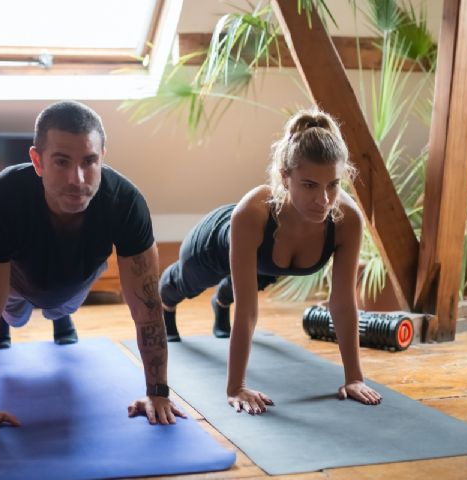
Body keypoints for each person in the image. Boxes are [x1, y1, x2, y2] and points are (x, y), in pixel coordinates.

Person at [0, 101, 185, 440]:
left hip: (75, 281)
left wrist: (158, 392)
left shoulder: (125, 203)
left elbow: (148, 309)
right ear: (37, 161)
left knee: (59, 306)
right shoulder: (1, 200)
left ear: (102, 156)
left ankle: (59, 314)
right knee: (10, 316)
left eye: (89, 161)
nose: (77, 179)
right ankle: (12, 323)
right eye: (61, 162)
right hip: (15, 285)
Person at [159, 109, 383, 414]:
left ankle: (220, 303)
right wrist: (235, 387)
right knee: (185, 285)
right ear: (284, 177)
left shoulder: (347, 219)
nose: (324, 200)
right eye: (309, 185)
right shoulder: (253, 212)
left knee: (254, 279)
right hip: (216, 244)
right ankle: (166, 305)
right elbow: (248, 310)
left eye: (333, 184)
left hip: (266, 262)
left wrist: (354, 378)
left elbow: (342, 304)